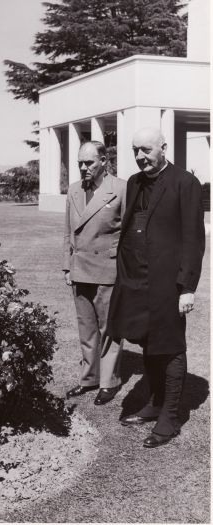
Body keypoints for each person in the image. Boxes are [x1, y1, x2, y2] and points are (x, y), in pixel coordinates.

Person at [107, 127, 205, 448]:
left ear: (163, 148)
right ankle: (154, 402)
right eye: (135, 150)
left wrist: (187, 287)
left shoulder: (185, 183)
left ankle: (170, 418)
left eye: (146, 150)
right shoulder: (134, 183)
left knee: (171, 345)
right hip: (136, 281)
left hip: (168, 284)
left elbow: (193, 240)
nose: (140, 157)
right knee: (148, 342)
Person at [63, 141, 126, 405]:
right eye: (80, 163)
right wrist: (67, 265)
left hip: (106, 268)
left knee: (109, 328)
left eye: (89, 162)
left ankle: (108, 382)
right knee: (86, 328)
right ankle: (89, 378)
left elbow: (128, 234)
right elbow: (67, 232)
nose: (83, 167)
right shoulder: (74, 190)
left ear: (104, 162)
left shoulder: (121, 188)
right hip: (79, 269)